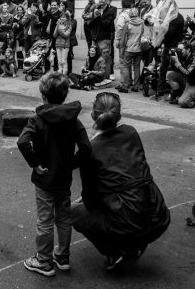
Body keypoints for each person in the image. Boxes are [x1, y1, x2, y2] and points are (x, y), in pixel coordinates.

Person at [71, 92, 170, 270]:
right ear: (119, 115)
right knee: (118, 203)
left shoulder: (91, 150)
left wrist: (87, 199)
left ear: (93, 116)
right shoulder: (130, 132)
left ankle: (117, 250)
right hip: (157, 214)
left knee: (73, 212)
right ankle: (134, 242)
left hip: (127, 221)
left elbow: (91, 200)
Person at [17, 72, 91, 277]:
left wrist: (35, 163)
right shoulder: (73, 120)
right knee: (64, 218)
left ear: (43, 96)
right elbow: (86, 148)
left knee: (45, 220)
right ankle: (63, 256)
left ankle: (44, 261)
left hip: (44, 178)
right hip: (63, 178)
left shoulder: (37, 119)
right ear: (64, 95)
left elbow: (23, 141)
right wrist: (71, 164)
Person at [167, 41, 195, 107]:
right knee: (170, 75)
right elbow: (176, 70)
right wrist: (172, 62)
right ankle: (179, 95)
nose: (179, 51)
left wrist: (178, 64)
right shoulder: (182, 55)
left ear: (188, 49)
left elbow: (188, 73)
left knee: (182, 103)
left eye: (181, 50)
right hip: (188, 81)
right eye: (178, 49)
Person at [115, 0, 133, 88]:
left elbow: (119, 27)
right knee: (128, 63)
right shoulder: (134, 14)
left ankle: (123, 83)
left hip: (123, 40)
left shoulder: (123, 15)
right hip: (132, 41)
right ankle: (129, 80)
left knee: (123, 63)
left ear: (122, 5)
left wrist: (117, 39)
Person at [53, 11, 72, 75]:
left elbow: (66, 35)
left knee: (64, 61)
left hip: (65, 45)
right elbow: (54, 35)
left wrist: (59, 29)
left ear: (67, 18)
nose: (62, 18)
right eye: (61, 17)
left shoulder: (69, 25)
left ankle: (64, 74)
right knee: (59, 61)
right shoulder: (58, 25)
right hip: (58, 44)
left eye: (63, 17)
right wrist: (57, 26)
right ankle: (59, 73)